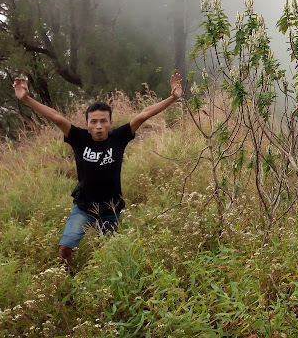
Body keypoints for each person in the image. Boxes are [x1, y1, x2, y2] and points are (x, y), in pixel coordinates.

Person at [13, 73, 183, 267]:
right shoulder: (79, 138)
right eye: (93, 121)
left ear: (110, 123)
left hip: (111, 209)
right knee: (64, 250)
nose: (99, 126)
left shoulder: (118, 137)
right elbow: (57, 117)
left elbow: (144, 114)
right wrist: (26, 98)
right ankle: (66, 286)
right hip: (84, 207)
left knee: (109, 255)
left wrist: (173, 98)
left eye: (103, 121)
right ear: (87, 124)